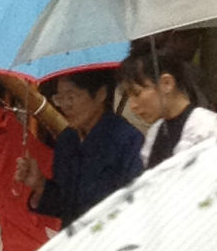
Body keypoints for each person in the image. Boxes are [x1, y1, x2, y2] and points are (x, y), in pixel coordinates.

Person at [14, 66, 144, 226]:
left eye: (71, 97)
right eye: (59, 98)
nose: (65, 106)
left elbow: (137, 204)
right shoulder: (67, 140)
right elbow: (65, 206)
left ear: (101, 94)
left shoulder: (128, 141)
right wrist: (40, 184)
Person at [119, 48, 217, 167]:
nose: (133, 106)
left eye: (137, 93)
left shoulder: (208, 126)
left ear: (167, 83)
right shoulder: (155, 132)